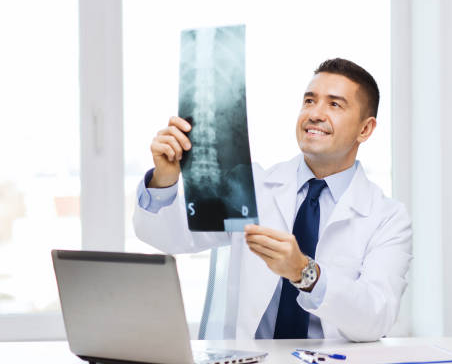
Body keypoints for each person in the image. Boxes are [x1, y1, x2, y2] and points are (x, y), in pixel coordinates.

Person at [133, 58, 413, 342]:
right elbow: (169, 237)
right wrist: (163, 180)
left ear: (365, 129)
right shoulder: (251, 187)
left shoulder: (387, 218)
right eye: (309, 101)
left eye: (334, 104)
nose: (315, 114)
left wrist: (306, 273)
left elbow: (376, 318)